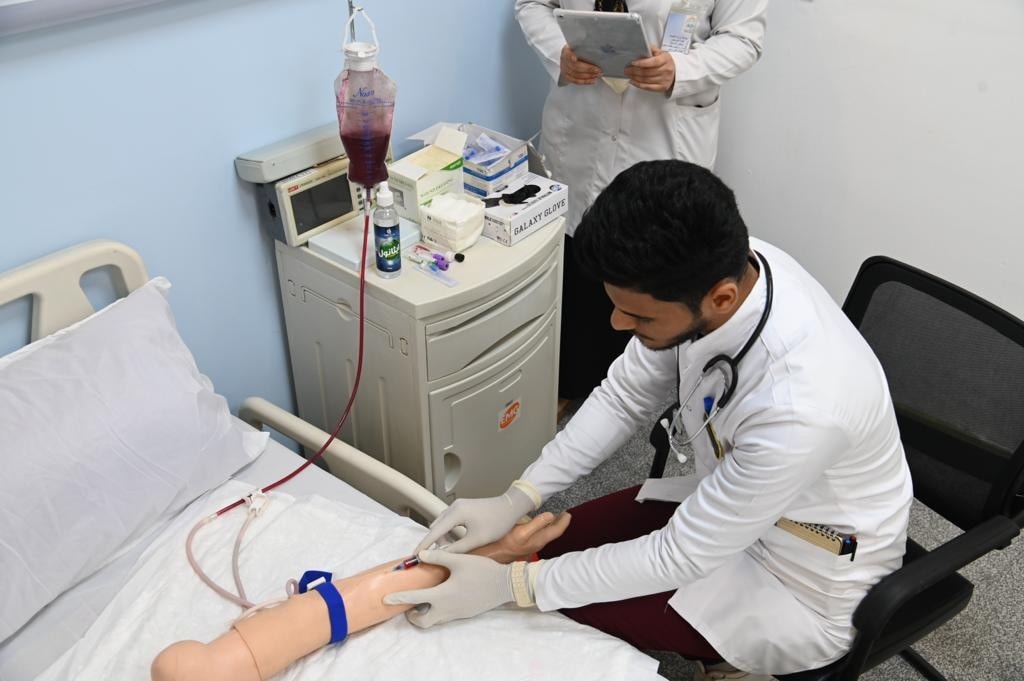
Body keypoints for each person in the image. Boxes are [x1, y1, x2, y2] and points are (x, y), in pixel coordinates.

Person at [383, 161, 914, 680]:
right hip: (729, 505)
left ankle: (737, 665)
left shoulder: (801, 410)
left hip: (801, 580)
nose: (618, 323)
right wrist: (520, 495)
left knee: (546, 608)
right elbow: (623, 397)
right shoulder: (724, 271)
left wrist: (513, 587)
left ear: (721, 298)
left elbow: (678, 555)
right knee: (545, 547)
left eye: (638, 316)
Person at [515, 0, 769, 407]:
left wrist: (682, 70)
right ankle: (572, 385)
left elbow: (743, 38)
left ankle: (632, 390)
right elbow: (532, 4)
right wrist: (557, 52)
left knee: (650, 270)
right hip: (580, 121)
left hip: (664, 125)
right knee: (577, 261)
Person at [149, 511, 570, 681]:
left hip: (330, 609)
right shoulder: (193, 667)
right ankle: (506, 551)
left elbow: (386, 587)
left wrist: (502, 551)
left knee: (388, 586)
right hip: (325, 612)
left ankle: (506, 551)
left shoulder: (185, 666)